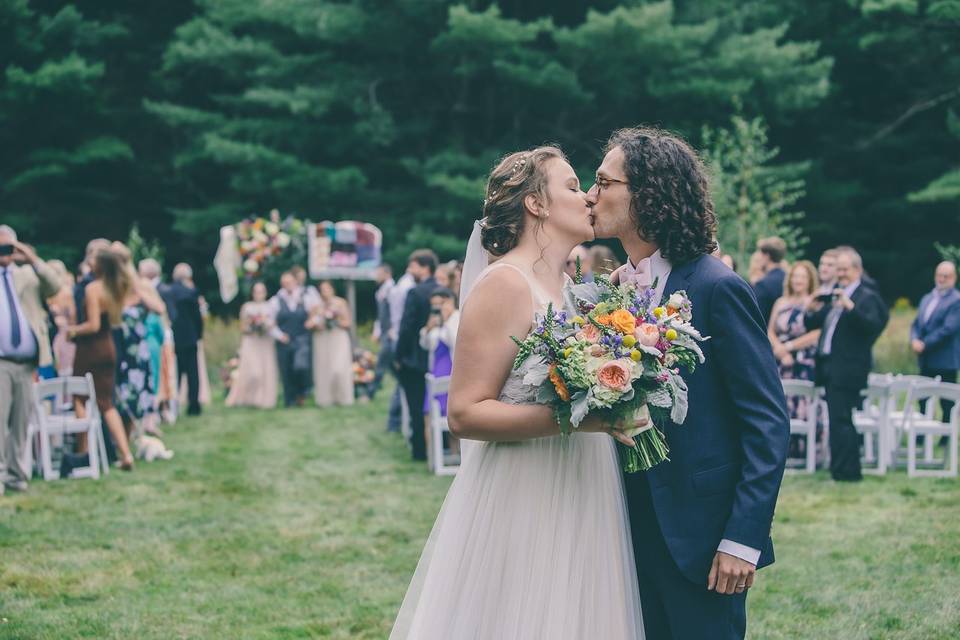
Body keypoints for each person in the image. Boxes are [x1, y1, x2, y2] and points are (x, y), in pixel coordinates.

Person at [391, 147, 645, 639]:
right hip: (524, 488)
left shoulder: (572, 291)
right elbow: (464, 413)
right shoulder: (506, 283)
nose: (590, 197)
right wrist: (583, 419)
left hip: (583, 482)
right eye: (573, 186)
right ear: (536, 204)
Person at [590, 128, 790, 639]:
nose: (592, 196)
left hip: (702, 537)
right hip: (627, 530)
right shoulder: (614, 295)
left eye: (603, 182)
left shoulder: (717, 287)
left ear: (646, 194)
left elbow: (767, 423)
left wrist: (741, 540)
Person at [805, 247, 889, 482]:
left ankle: (847, 472)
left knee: (842, 419)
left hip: (849, 367)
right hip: (831, 367)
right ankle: (840, 469)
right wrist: (810, 310)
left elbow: (873, 326)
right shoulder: (837, 295)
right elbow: (816, 323)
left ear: (856, 269)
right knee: (838, 418)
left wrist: (850, 306)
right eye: (838, 269)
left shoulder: (865, 295)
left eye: (844, 269)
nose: (840, 273)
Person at [0, 226, 61, 494]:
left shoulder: (26, 275)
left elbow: (55, 286)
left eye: (7, 247)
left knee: (21, 421)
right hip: (1, 361)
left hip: (27, 363)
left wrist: (31, 257)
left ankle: (17, 474)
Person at [67, 247, 136, 470]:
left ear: (100, 265)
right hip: (109, 345)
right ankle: (126, 454)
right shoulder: (116, 287)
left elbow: (93, 324)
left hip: (91, 348)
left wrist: (73, 331)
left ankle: (83, 451)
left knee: (79, 397)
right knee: (107, 402)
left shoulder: (93, 289)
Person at [768, 261, 822, 456]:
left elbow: (817, 333)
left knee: (803, 402)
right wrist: (780, 349)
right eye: (796, 276)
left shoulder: (814, 303)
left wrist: (790, 347)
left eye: (803, 277)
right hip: (780, 359)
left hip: (803, 359)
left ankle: (804, 449)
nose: (798, 280)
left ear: (809, 280)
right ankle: (782, 447)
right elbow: (770, 330)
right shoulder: (781, 302)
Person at [394, 249, 440, 461]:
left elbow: (406, 327)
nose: (410, 270)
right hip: (438, 357)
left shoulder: (416, 292)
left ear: (424, 267)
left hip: (414, 358)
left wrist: (398, 355)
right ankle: (439, 449)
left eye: (413, 266)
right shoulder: (442, 290)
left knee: (415, 405)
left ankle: (420, 451)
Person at [910, 261, 960, 422]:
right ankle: (921, 433)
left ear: (954, 278)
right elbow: (916, 323)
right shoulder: (927, 298)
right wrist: (914, 339)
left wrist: (924, 344)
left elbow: (948, 329)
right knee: (922, 397)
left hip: (945, 359)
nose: (942, 279)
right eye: (939, 275)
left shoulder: (956, 300)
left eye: (946, 276)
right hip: (926, 359)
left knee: (946, 401)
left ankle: (946, 438)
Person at [419, 287, 460, 465]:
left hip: (452, 371)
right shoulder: (434, 322)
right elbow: (426, 345)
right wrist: (428, 328)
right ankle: (432, 458)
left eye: (440, 304)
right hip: (436, 371)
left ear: (449, 302)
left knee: (454, 417)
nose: (437, 308)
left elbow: (456, 342)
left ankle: (456, 454)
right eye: (434, 305)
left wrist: (445, 321)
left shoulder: (457, 318)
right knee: (429, 413)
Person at [226, 282, 279, 408]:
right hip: (251, 342)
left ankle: (264, 400)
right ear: (253, 293)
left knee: (265, 371)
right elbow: (243, 327)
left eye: (261, 291)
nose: (258, 294)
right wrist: (253, 326)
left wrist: (265, 326)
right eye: (256, 291)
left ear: (265, 293)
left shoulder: (270, 307)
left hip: (265, 343)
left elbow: (273, 325)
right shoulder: (247, 307)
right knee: (253, 372)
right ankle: (248, 398)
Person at [307, 280, 354, 407]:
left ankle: (343, 397)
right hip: (322, 339)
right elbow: (309, 324)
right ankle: (325, 399)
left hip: (338, 338)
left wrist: (335, 320)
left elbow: (347, 323)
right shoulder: (316, 306)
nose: (325, 292)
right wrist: (318, 322)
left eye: (327, 288)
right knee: (323, 369)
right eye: (322, 289)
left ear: (332, 289)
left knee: (338, 368)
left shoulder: (340, 303)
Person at [270, 271, 311, 407]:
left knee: (301, 366)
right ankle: (290, 400)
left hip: (302, 338)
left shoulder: (305, 296)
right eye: (284, 283)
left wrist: (312, 321)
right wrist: (280, 335)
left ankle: (302, 393)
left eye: (289, 282)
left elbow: (316, 312)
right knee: (286, 370)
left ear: (295, 282)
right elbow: (270, 322)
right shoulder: (276, 300)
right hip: (284, 340)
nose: (287, 285)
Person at [169, 263, 204, 416]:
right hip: (190, 337)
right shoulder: (191, 292)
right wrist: (199, 334)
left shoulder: (168, 291)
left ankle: (172, 404)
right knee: (192, 373)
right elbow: (198, 317)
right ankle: (193, 405)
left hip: (173, 337)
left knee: (174, 372)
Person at [385, 265, 416, 432]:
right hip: (400, 339)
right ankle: (394, 421)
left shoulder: (399, 286)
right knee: (402, 384)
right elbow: (405, 322)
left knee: (401, 384)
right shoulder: (408, 287)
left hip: (395, 336)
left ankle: (394, 421)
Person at [46, 259, 78, 376]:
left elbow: (73, 318)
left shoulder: (66, 293)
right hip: (57, 336)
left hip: (63, 336)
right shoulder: (49, 294)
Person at [370, 263, 395, 399]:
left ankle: (370, 393)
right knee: (390, 364)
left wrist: (392, 329)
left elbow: (395, 312)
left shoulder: (392, 290)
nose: (376, 276)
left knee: (381, 362)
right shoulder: (381, 291)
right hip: (385, 332)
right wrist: (377, 332)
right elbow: (380, 315)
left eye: (378, 273)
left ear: (386, 273)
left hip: (390, 332)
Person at [752, 236, 787, 324]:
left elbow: (757, 317)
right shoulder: (788, 278)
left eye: (760, 254)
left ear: (767, 256)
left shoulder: (763, 284)